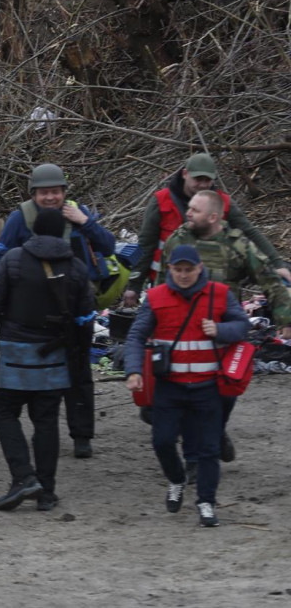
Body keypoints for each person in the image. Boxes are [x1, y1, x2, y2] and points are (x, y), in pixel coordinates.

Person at [0, 163, 116, 458]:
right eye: (44, 193)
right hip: (35, 313)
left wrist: (85, 222)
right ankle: (42, 432)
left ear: (64, 192)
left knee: (79, 374)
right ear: (34, 193)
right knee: (37, 374)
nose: (51, 198)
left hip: (77, 309)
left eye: (56, 192)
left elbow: (109, 246)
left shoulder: (79, 212)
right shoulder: (20, 218)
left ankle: (81, 436)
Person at [0, 208, 96, 512]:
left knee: (5, 414)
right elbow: (85, 321)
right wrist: (78, 361)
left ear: (33, 231)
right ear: (62, 233)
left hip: (15, 358)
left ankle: (23, 477)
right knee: (46, 422)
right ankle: (46, 491)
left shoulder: (12, 261)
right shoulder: (78, 268)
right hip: (54, 361)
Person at [160, 189, 291, 462]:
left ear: (214, 216)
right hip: (182, 332)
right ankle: (196, 459)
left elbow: (269, 279)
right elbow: (162, 284)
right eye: (189, 208)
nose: (188, 214)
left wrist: (286, 319)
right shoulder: (179, 241)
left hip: (223, 332)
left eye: (195, 210)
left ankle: (216, 432)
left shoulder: (237, 245)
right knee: (186, 394)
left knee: (226, 392)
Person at [124, 245, 249, 528]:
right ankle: (177, 480)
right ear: (170, 269)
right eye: (178, 270)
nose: (183, 275)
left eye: (188, 270)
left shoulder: (219, 294)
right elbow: (135, 336)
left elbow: (242, 326)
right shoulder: (155, 298)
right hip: (170, 387)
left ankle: (206, 502)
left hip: (208, 387)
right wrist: (133, 371)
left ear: (199, 268)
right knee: (162, 441)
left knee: (208, 450)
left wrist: (221, 330)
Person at [124, 152, 291, 302]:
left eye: (208, 180)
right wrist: (134, 286)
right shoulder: (161, 201)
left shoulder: (222, 202)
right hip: (170, 284)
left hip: (215, 288)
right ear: (185, 174)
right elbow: (146, 245)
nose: (203, 185)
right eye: (198, 179)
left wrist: (277, 264)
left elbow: (249, 232)